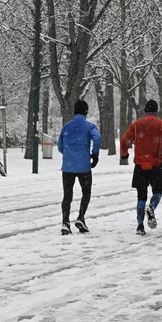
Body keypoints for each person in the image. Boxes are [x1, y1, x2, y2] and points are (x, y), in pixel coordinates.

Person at [120, 100, 162, 236]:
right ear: (156, 111)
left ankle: (140, 225)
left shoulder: (137, 125)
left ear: (145, 110)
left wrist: (124, 154)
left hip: (140, 165)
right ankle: (152, 207)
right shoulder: (161, 125)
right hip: (156, 164)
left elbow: (124, 140)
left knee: (141, 196)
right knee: (157, 191)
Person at [57, 99, 101, 235]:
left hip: (68, 167)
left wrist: (70, 154)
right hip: (84, 167)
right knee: (86, 192)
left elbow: (59, 146)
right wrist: (94, 154)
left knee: (67, 196)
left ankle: (65, 222)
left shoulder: (67, 126)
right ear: (86, 112)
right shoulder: (89, 126)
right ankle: (81, 217)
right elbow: (97, 138)